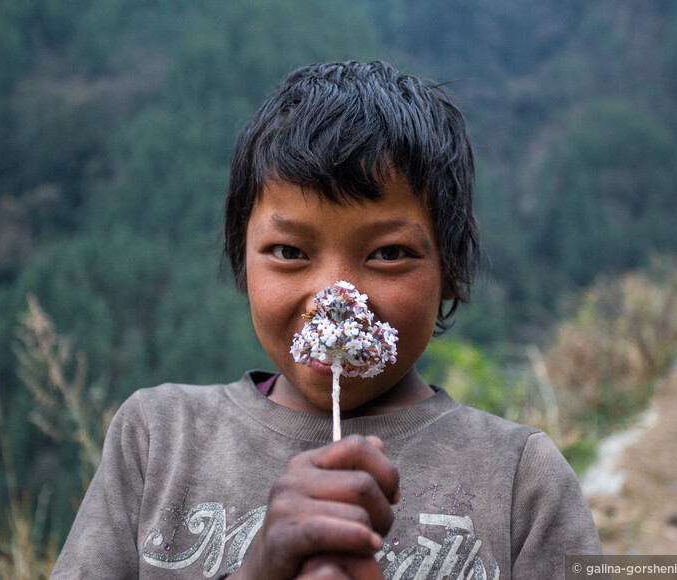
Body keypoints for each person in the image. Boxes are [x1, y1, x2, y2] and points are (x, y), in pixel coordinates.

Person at [51, 61, 601, 580]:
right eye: (289, 252)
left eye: (387, 253)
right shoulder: (159, 437)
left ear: (451, 269)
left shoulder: (518, 478)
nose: (336, 297)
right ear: (241, 262)